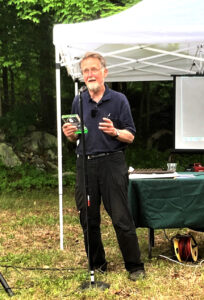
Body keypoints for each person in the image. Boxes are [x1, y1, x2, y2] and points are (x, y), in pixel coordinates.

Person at [62, 52, 145, 281]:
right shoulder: (78, 100)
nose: (89, 74)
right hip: (85, 164)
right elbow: (76, 137)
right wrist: (69, 134)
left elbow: (130, 136)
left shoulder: (119, 100)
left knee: (121, 217)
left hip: (112, 163)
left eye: (94, 69)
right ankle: (97, 265)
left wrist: (115, 132)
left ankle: (135, 266)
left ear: (104, 72)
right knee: (88, 217)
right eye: (85, 71)